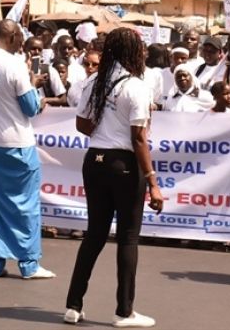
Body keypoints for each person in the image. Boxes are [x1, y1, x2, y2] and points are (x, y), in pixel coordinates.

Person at [65, 27, 164, 327]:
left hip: (94, 161)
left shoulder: (94, 80)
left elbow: (82, 124)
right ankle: (124, 311)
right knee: (128, 238)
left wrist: (105, 131)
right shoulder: (137, 86)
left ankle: (73, 305)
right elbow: (138, 139)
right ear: (132, 52)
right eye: (141, 49)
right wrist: (153, 182)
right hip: (123, 164)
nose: (144, 54)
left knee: (94, 234)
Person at [0, 20, 55, 279]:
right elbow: (30, 107)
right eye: (21, 37)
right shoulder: (14, 64)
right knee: (26, 204)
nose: (22, 43)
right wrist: (33, 84)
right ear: (13, 36)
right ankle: (29, 263)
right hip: (16, 142)